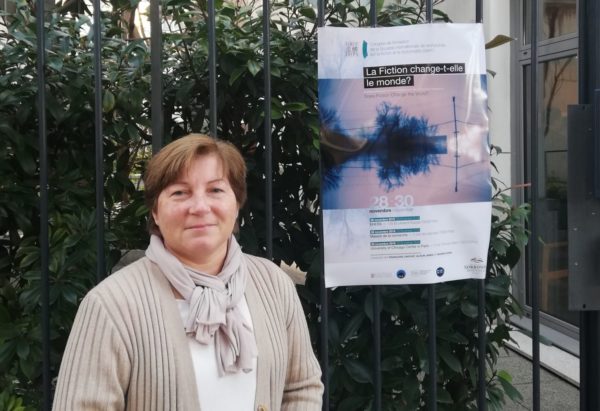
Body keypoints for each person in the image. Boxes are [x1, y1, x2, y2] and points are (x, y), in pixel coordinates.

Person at [53, 134, 323, 410]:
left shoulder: (273, 284)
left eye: (215, 190)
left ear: (236, 203)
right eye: (180, 193)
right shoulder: (111, 305)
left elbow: (302, 386)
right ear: (155, 212)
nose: (200, 207)